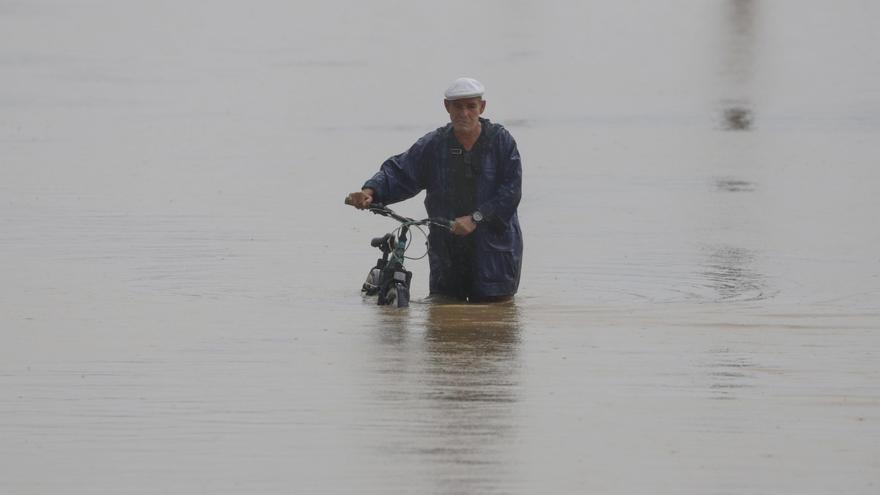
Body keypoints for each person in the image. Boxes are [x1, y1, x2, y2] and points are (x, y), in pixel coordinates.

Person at [347, 77, 523, 302]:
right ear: (447, 107)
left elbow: (511, 192)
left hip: (494, 255)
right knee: (443, 317)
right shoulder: (434, 145)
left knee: (494, 321)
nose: (464, 113)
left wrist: (476, 218)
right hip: (447, 252)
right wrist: (370, 191)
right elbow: (400, 171)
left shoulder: (501, 142)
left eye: (471, 106)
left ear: (482, 107)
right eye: (458, 107)